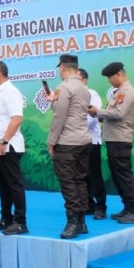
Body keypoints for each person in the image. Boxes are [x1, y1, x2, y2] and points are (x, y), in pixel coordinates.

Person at [89, 62, 134, 224]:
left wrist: (97, 112)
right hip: (113, 139)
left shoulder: (127, 91)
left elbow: (119, 113)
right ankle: (127, 208)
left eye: (110, 77)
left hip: (120, 139)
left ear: (118, 74)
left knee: (124, 175)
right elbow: (112, 112)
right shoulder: (119, 92)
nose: (109, 81)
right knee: (118, 175)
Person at [46, 54, 92, 239]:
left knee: (68, 183)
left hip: (67, 142)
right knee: (80, 180)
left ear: (62, 67)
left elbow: (59, 117)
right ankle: (81, 222)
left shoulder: (64, 87)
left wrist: (51, 141)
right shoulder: (83, 87)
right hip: (83, 140)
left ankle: (72, 222)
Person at [0, 61, 28, 235]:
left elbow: (16, 118)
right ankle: (6, 218)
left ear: (0, 74)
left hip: (8, 147)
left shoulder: (10, 92)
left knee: (13, 184)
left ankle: (20, 222)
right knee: (2, 184)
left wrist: (4, 141)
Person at [80, 68, 107, 220]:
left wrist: (76, 128)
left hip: (91, 140)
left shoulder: (92, 94)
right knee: (81, 176)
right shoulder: (71, 95)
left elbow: (93, 116)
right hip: (76, 141)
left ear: (84, 80)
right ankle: (88, 204)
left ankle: (101, 206)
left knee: (94, 174)